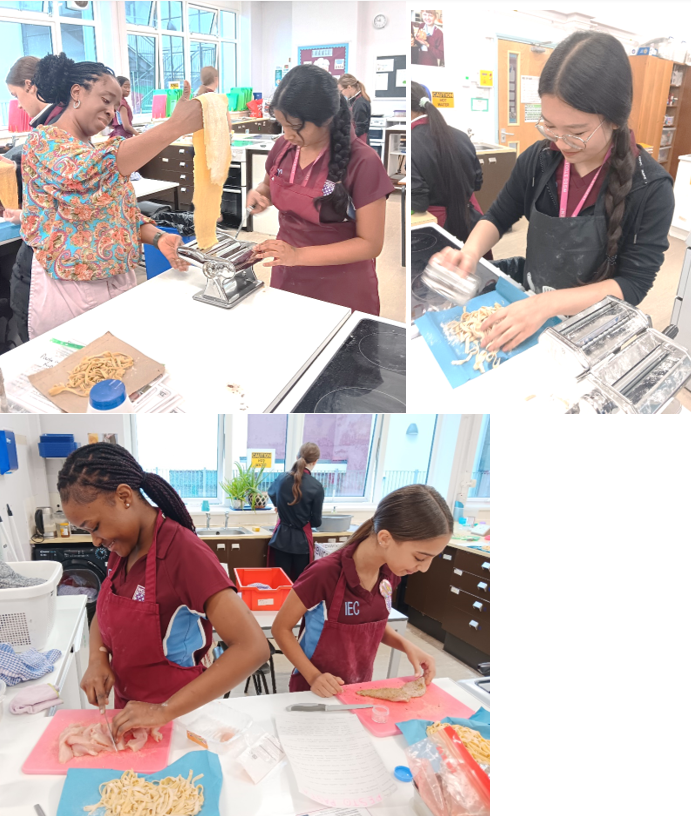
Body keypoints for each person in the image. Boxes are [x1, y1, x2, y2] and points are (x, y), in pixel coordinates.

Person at [433, 32, 675, 353]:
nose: (560, 143)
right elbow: (499, 215)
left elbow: (633, 283)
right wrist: (470, 252)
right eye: (549, 126)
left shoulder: (651, 188)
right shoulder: (539, 159)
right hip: (533, 306)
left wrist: (547, 305)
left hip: (595, 330)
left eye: (576, 133)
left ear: (615, 120)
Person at [59, 443, 269, 738]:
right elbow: (104, 614)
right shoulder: (122, 548)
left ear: (123, 497)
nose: (95, 540)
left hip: (180, 720)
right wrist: (97, 658)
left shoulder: (183, 554)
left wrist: (164, 711)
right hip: (130, 714)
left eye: (94, 526)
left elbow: (253, 648)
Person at [20, 52, 203, 340]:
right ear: (77, 93)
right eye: (106, 100)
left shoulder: (91, 149)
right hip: (68, 284)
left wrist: (157, 237)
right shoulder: (44, 142)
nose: (111, 112)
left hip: (114, 277)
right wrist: (175, 126)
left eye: (116, 106)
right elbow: (85, 178)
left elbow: (119, 211)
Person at [272, 485, 453, 697]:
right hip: (314, 689)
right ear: (385, 538)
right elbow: (280, 629)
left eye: (432, 558)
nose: (424, 568)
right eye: (420, 558)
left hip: (359, 687)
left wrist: (407, 645)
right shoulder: (324, 574)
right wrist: (314, 676)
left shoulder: (389, 573)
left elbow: (369, 624)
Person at [248, 65, 394, 316]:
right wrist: (261, 194)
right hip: (287, 271)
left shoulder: (363, 162)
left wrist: (298, 255)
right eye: (282, 125)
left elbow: (370, 244)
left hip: (341, 282)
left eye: (295, 126)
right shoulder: (284, 147)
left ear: (326, 118)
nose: (287, 134)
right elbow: (268, 185)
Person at [3, 56, 66, 345]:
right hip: (51, 240)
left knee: (28, 307)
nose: (18, 105)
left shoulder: (49, 134)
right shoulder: (58, 123)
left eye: (16, 96)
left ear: (30, 85)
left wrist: (29, 215)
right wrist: (23, 213)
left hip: (47, 248)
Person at [411, 81, 484, 243]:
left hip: (436, 227)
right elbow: (477, 183)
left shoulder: (411, 142)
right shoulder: (461, 136)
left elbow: (418, 203)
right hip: (470, 221)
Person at [267, 443, 325, 582]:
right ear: (315, 461)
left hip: (281, 539)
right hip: (302, 544)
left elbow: (271, 493)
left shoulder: (282, 478)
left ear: (297, 457)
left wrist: (280, 506)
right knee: (300, 585)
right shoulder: (316, 487)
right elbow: (316, 522)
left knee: (280, 583)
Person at [338, 74, 371, 143]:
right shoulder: (354, 100)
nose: (341, 94)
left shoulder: (360, 103)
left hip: (360, 140)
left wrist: (347, 139)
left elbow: (360, 128)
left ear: (349, 87)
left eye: (341, 91)